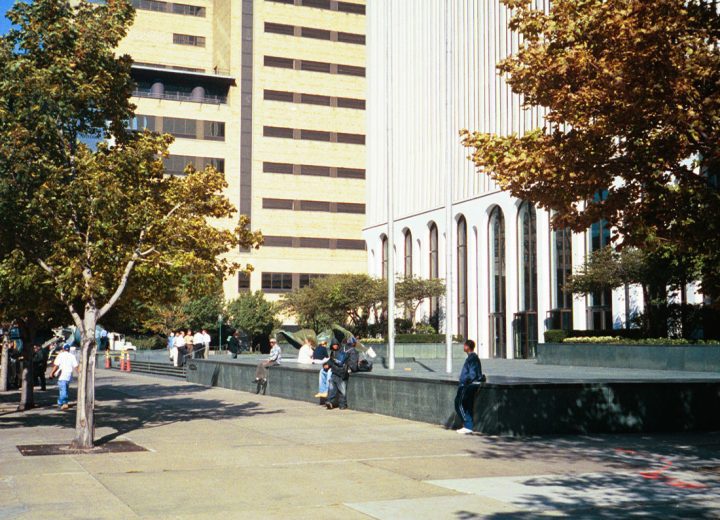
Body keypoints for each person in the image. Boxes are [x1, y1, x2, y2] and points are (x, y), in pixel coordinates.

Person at [455, 339, 485, 434]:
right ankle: (468, 426)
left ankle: (467, 424)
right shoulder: (472, 358)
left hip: (468, 385)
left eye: (464, 345)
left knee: (458, 403)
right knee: (467, 405)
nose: (463, 347)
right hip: (470, 384)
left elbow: (473, 373)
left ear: (467, 347)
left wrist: (465, 381)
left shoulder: (472, 358)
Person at [326, 337, 358, 410]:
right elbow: (352, 364)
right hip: (341, 372)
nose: (335, 346)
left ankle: (332, 402)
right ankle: (341, 404)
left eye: (336, 344)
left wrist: (328, 365)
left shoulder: (338, 351)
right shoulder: (351, 350)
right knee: (340, 389)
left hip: (336, 372)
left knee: (333, 389)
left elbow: (332, 361)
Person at [50, 344, 79, 411]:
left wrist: (52, 373)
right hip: (69, 376)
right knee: (65, 389)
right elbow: (76, 366)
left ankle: (62, 403)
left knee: (63, 390)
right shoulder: (72, 356)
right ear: (68, 349)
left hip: (61, 375)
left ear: (63, 349)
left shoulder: (60, 355)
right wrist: (79, 374)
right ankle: (63, 403)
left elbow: (56, 366)